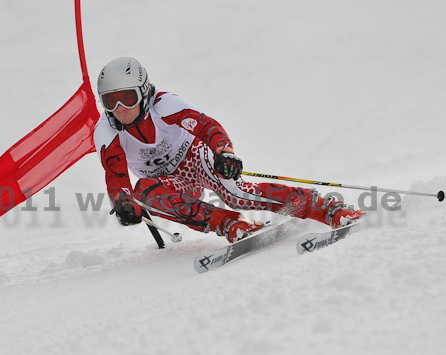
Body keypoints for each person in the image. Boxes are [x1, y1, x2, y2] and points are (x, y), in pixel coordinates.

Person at [93, 57, 364, 243]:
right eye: (111, 101)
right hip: (171, 182)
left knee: (238, 194)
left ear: (142, 92)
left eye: (127, 98)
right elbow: (116, 175)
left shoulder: (164, 105)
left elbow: (207, 127)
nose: (120, 109)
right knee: (144, 193)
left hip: (196, 158)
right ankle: (231, 224)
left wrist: (224, 152)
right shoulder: (106, 130)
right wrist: (123, 202)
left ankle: (324, 208)